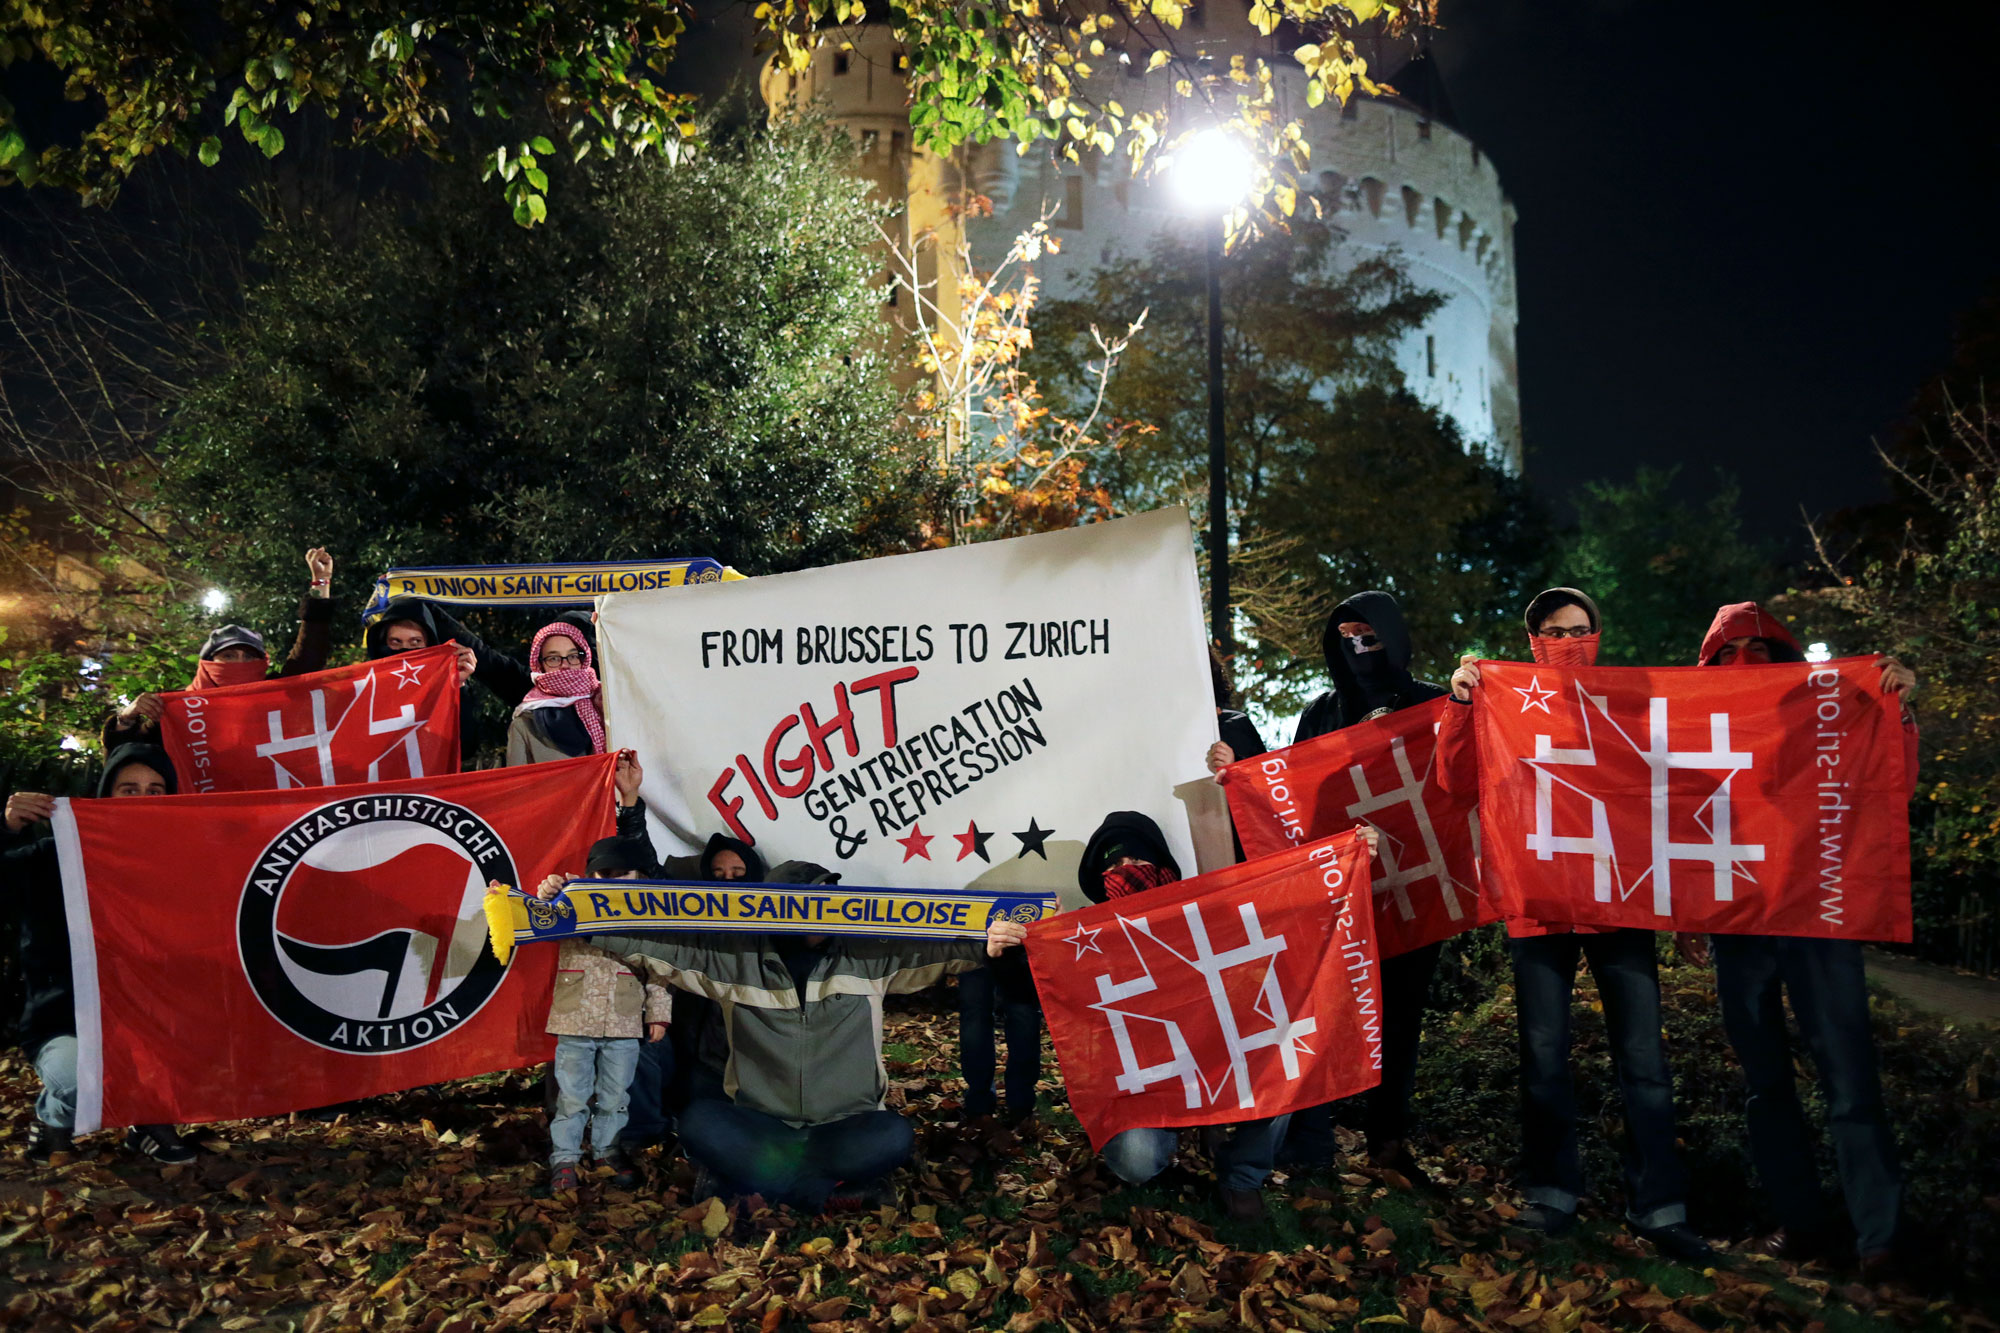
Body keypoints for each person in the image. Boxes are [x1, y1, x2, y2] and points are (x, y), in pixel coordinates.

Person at [1447, 588, 1713, 1262]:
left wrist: (1687, 908)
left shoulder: (1630, 701)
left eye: (1580, 628)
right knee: (1544, 1056)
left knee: (1645, 1059)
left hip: (1622, 902)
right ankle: (1552, 1190)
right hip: (1541, 907)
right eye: (1553, 630)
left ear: (1599, 632)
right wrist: (1459, 705)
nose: (1568, 639)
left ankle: (1660, 1204)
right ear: (1532, 638)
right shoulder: (1505, 698)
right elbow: (1454, 782)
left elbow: (1673, 796)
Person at [1690, 602, 1916, 1276]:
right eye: (1730, 652)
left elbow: (1887, 785)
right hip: (1741, 923)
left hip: (1819, 915)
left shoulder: (1831, 714)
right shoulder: (1695, 723)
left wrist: (1893, 705)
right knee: (1770, 1083)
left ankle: (1879, 1238)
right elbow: (1670, 815)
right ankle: (1805, 1222)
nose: (1744, 663)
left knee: (1847, 1077)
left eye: (1759, 649)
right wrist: (1690, 914)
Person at [588, 864, 1007, 1211]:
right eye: (812, 897)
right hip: (763, 1126)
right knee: (700, 1122)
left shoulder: (867, 955)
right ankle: (827, 1193)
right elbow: (658, 947)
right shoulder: (736, 962)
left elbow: (941, 951)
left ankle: (768, 1188)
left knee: (894, 1135)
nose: (825, 906)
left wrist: (992, 941)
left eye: (830, 895)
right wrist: (578, 910)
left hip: (847, 1124)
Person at [1280, 591, 1447, 1181]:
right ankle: (1312, 1145)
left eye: (1369, 637)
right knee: (1329, 1011)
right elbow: (1292, 789)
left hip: (1413, 882)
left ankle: (1388, 1140)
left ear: (1394, 638)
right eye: (1345, 638)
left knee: (1401, 1014)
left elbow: (1456, 779)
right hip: (1337, 888)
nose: (1357, 650)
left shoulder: (1433, 704)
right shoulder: (1322, 711)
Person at [1073, 811, 1288, 1220]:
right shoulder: (1088, 937)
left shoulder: (1208, 914)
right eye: (1114, 866)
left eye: (1137, 861)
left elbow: (1286, 915)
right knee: (1136, 1159)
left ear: (1162, 866)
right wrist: (1003, 954)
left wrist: (1343, 869)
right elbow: (1034, 985)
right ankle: (1175, 1131)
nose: (1126, 872)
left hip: (1218, 1059)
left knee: (1283, 1065)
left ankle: (1242, 1175)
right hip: (1147, 1081)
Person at [3, 745, 200, 1164]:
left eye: (155, 790)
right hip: (65, 1026)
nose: (143, 800)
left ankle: (146, 1117)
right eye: (128, 789)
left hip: (150, 1026)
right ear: (104, 796)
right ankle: (57, 1116)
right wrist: (6, 829)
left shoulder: (183, 866)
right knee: (86, 1080)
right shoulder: (52, 858)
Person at [525, 837, 673, 1193]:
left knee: (616, 1096)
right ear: (590, 874)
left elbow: (660, 968)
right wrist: (550, 892)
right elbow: (541, 915)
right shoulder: (574, 900)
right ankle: (565, 1158)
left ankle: (607, 1151)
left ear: (641, 878)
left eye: (623, 874)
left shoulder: (650, 914)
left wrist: (658, 1013)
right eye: (604, 873)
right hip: (575, 1018)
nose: (613, 881)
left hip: (624, 1021)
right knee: (572, 1096)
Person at [103, 547, 338, 751]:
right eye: (228, 655)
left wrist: (321, 583)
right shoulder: (180, 712)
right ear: (208, 663)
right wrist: (126, 717)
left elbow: (309, 653)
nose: (239, 663)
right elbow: (128, 760)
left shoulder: (274, 694)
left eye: (248, 656)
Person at [508, 621, 606, 764]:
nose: (565, 665)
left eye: (573, 656)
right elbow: (518, 783)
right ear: (540, 665)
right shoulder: (525, 724)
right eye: (554, 658)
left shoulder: (605, 704)